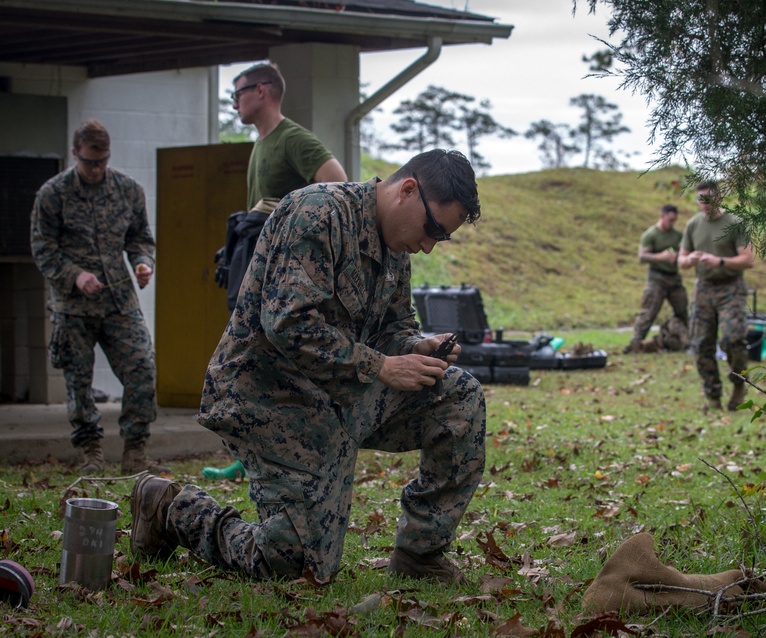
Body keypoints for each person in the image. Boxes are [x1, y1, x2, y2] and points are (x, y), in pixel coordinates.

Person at [131, 149, 485, 586]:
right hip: (272, 397)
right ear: (406, 190)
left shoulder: (395, 244)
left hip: (341, 395)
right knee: (296, 567)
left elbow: (393, 327)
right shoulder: (317, 213)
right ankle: (170, 506)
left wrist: (417, 345)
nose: (430, 245)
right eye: (432, 229)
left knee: (458, 396)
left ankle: (421, 554)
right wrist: (381, 365)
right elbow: (289, 324)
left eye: (441, 238)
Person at [204, 61, 349, 480]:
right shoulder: (260, 142)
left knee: (272, 362)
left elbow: (337, 186)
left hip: (286, 276)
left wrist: (289, 227)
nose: (234, 102)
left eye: (239, 93)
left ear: (263, 90)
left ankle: (269, 456)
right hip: (255, 261)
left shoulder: (293, 138)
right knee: (250, 361)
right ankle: (248, 456)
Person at [30, 119, 166, 475]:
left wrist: (142, 263)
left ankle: (135, 451)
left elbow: (140, 238)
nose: (97, 168)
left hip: (118, 301)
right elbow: (42, 247)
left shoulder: (128, 190)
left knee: (143, 368)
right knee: (78, 383)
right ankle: (90, 451)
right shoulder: (53, 194)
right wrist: (75, 276)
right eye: (90, 161)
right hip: (72, 306)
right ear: (75, 154)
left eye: (103, 160)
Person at [678, 180, 755, 412]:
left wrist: (719, 261)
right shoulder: (693, 225)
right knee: (700, 344)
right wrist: (690, 259)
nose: (704, 203)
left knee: (732, 339)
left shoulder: (734, 222)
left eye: (708, 198)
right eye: (700, 199)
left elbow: (748, 260)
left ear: (718, 198)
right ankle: (713, 396)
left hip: (730, 287)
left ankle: (739, 386)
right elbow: (681, 260)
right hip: (703, 288)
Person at [624, 204, 688, 353]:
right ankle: (635, 342)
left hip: (674, 278)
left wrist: (677, 257)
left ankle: (686, 341)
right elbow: (642, 256)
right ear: (662, 217)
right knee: (648, 312)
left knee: (682, 310)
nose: (672, 223)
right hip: (657, 277)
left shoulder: (677, 235)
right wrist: (660, 257)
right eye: (670, 220)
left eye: (674, 220)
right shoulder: (651, 234)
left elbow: (685, 251)